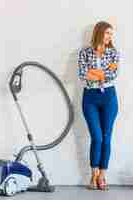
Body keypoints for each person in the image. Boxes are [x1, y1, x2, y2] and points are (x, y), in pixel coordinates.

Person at [77, 21, 120, 190]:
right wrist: (99, 74)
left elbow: (112, 74)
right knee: (97, 137)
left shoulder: (114, 53)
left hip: (109, 98)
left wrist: (94, 73)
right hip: (90, 98)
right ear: (99, 33)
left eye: (111, 33)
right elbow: (83, 75)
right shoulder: (85, 52)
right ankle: (93, 174)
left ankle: (102, 176)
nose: (110, 36)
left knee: (107, 137)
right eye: (107, 33)